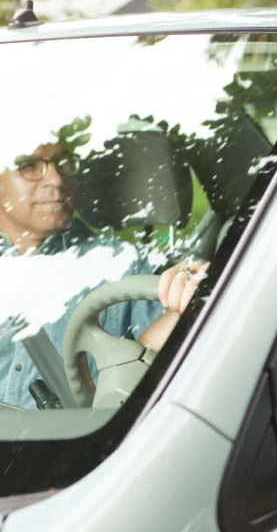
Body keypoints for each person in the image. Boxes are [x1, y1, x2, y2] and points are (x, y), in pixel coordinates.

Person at [0, 139, 200, 409]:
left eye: (63, 163)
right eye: (29, 166)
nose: (57, 179)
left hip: (84, 448)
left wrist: (187, 300)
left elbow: (153, 374)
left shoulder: (124, 265)